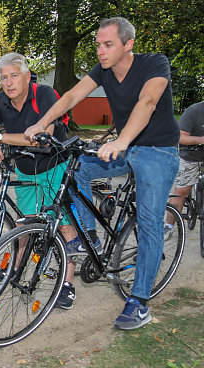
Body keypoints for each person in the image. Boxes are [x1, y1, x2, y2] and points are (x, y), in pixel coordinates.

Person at [23, 17, 180, 330]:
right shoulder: (103, 71)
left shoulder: (154, 65)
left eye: (108, 44)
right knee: (77, 165)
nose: (101, 50)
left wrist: (121, 141)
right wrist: (42, 123)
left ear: (128, 44)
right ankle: (89, 238)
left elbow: (148, 102)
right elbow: (69, 97)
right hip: (125, 148)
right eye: (97, 44)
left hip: (158, 151)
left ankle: (139, 303)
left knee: (149, 223)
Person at [0, 52, 76, 309]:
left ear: (27, 76)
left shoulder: (45, 95)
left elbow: (41, 135)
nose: (8, 83)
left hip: (54, 164)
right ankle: (15, 270)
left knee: (60, 223)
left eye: (13, 76)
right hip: (26, 169)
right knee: (25, 223)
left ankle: (68, 283)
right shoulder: (1, 101)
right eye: (3, 78)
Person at [165, 100, 204, 237]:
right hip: (190, 155)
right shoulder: (194, 111)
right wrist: (201, 140)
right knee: (181, 191)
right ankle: (168, 225)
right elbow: (180, 137)